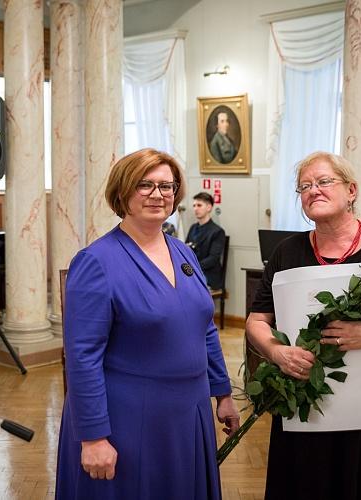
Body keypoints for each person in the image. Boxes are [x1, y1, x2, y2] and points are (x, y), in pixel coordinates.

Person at [246, 151, 361, 500]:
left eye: (323, 181)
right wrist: (276, 352)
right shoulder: (287, 251)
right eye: (304, 186)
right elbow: (257, 320)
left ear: (352, 190)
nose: (313, 190)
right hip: (300, 406)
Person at [56, 148, 239, 499]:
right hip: (129, 418)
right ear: (122, 192)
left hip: (188, 413)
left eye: (166, 186)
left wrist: (223, 393)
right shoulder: (96, 261)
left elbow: (205, 327)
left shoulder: (183, 252)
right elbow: (82, 357)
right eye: (145, 185)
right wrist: (93, 436)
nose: (158, 195)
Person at [186, 192, 226, 290]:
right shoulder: (193, 228)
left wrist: (192, 268)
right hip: (192, 273)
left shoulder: (217, 231)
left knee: (185, 288)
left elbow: (213, 259)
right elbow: (185, 250)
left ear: (209, 207)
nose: (195, 208)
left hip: (209, 275)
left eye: (199, 205)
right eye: (194, 205)